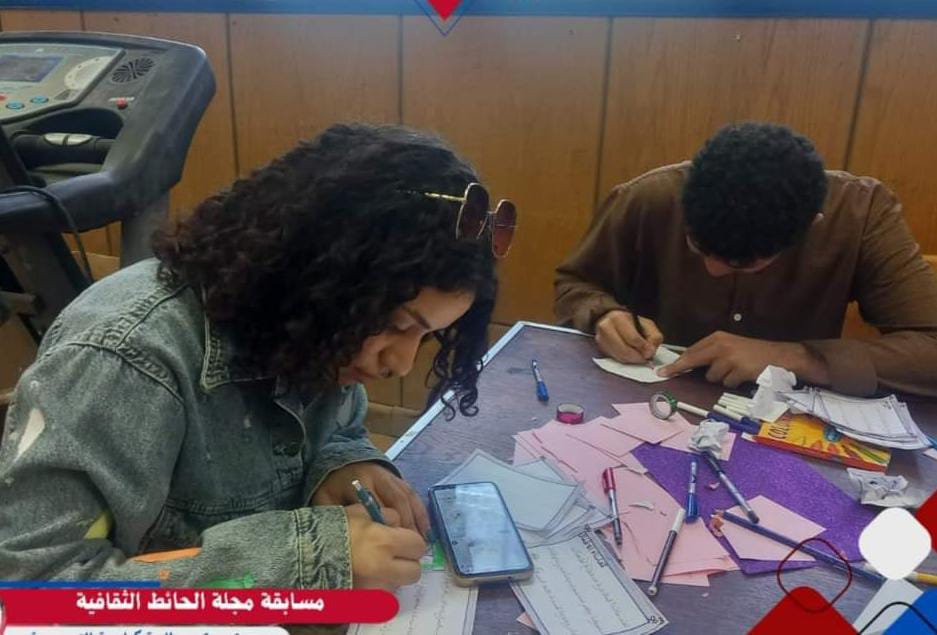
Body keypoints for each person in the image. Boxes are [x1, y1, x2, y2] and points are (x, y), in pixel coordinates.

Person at [0, 123, 516, 589]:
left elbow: (335, 427)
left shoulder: (313, 332)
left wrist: (341, 462)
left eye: (425, 337)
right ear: (321, 275)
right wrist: (308, 560)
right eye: (397, 326)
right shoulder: (124, 361)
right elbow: (32, 589)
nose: (400, 363)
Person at [555, 122, 937, 396]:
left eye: (744, 263)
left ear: (809, 227)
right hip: (652, 404)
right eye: (697, 246)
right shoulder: (650, 198)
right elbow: (575, 284)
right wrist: (603, 315)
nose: (712, 270)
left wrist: (794, 358)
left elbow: (930, 347)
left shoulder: (861, 214)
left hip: (786, 423)